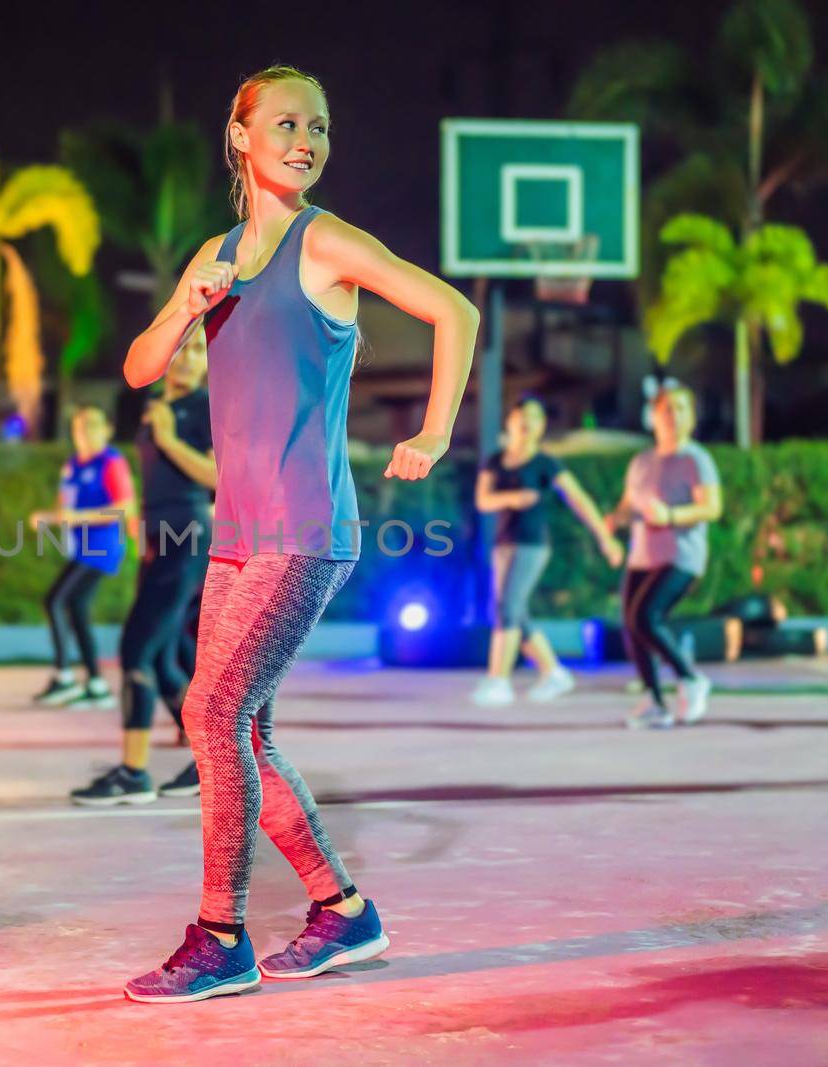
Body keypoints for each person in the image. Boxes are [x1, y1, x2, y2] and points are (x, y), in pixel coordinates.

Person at [118, 65, 477, 1003]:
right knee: (246, 729)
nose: (305, 140)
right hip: (236, 533)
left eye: (317, 126)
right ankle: (343, 913)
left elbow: (454, 309)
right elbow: (141, 366)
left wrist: (434, 430)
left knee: (210, 714)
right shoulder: (221, 252)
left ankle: (221, 932)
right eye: (284, 124)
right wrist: (187, 301)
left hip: (305, 527)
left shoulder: (327, 244)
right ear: (239, 137)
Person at [70, 333, 215, 805]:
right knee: (164, 655)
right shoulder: (154, 403)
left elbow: (218, 476)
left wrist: (170, 439)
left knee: (137, 648)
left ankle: (134, 774)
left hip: (188, 539)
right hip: (159, 540)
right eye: (182, 348)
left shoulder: (204, 409)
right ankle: (210, 760)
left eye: (198, 350)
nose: (188, 359)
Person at [471, 396, 624, 706]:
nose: (527, 422)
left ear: (541, 427)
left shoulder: (546, 463)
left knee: (509, 606)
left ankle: (498, 680)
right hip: (504, 542)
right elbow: (483, 500)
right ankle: (553, 671)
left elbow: (578, 499)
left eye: (535, 417)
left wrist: (605, 538)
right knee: (509, 610)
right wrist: (513, 498)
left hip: (532, 544)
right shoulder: (496, 460)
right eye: (522, 416)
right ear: (510, 422)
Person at [608, 385, 722, 729]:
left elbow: (712, 508)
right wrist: (616, 520)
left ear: (692, 417)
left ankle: (691, 678)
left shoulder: (696, 459)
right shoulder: (641, 461)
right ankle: (653, 701)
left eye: (681, 408)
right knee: (631, 625)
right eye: (666, 409)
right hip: (642, 556)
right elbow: (628, 506)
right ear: (653, 417)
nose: (673, 415)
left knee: (645, 617)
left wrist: (670, 516)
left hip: (681, 556)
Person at [29, 407, 134, 709]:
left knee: (55, 600)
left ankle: (64, 676)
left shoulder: (111, 462)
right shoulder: (73, 465)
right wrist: (50, 517)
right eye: (79, 428)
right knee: (75, 606)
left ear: (106, 430)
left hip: (101, 548)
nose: (85, 433)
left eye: (92, 426)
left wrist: (79, 517)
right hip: (80, 547)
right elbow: (66, 510)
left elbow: (124, 508)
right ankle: (96, 684)